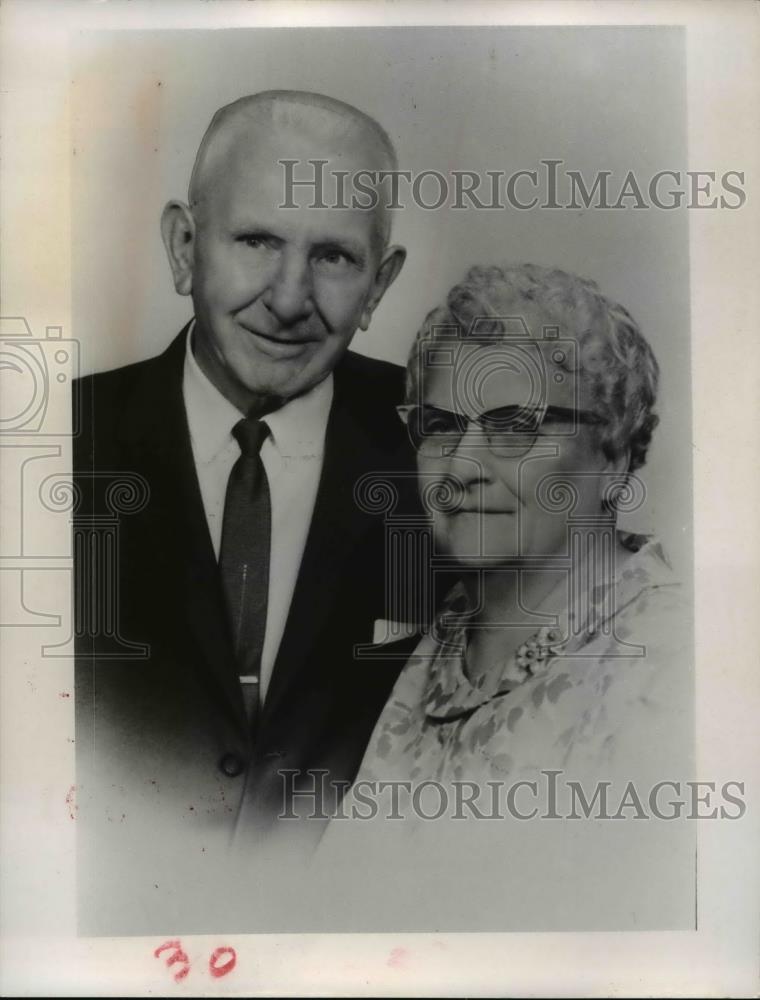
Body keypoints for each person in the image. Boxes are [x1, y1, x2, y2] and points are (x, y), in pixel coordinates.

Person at [73, 91, 418, 931]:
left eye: (334, 257)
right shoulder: (54, 446)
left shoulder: (445, 452)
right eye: (258, 240)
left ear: (381, 283)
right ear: (184, 247)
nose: (290, 298)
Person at [357, 262, 692, 792]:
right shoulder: (443, 637)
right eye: (441, 427)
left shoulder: (675, 664)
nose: (462, 467)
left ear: (614, 457)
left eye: (516, 425)